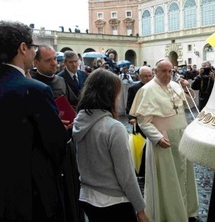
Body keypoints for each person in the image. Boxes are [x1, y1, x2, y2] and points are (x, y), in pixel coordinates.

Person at [0, 20, 69, 221]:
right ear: (23, 48)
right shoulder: (35, 90)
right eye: (33, 47)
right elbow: (56, 146)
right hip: (30, 193)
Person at [72, 68, 148, 222]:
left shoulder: (80, 120)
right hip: (113, 202)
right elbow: (126, 175)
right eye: (117, 94)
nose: (118, 99)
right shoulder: (113, 127)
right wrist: (140, 208)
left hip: (87, 196)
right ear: (109, 95)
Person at [129, 59, 199, 222]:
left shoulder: (175, 86)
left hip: (181, 138)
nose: (168, 75)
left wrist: (186, 88)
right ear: (156, 71)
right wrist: (157, 137)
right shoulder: (147, 90)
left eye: (170, 71)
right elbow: (143, 121)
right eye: (164, 71)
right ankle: (170, 215)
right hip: (164, 141)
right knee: (167, 180)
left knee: (184, 175)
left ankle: (187, 211)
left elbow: (186, 102)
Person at [30, 45, 82, 222]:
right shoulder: (32, 83)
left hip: (66, 143)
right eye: (48, 60)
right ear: (35, 62)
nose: (54, 63)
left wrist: (73, 115)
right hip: (45, 150)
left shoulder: (60, 81)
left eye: (55, 59)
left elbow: (73, 102)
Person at [125, 66, 153, 178]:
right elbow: (129, 105)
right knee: (141, 146)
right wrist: (131, 118)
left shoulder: (156, 87)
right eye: (145, 76)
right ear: (139, 76)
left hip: (153, 121)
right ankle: (141, 171)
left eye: (150, 75)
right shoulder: (134, 88)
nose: (148, 78)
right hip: (139, 122)